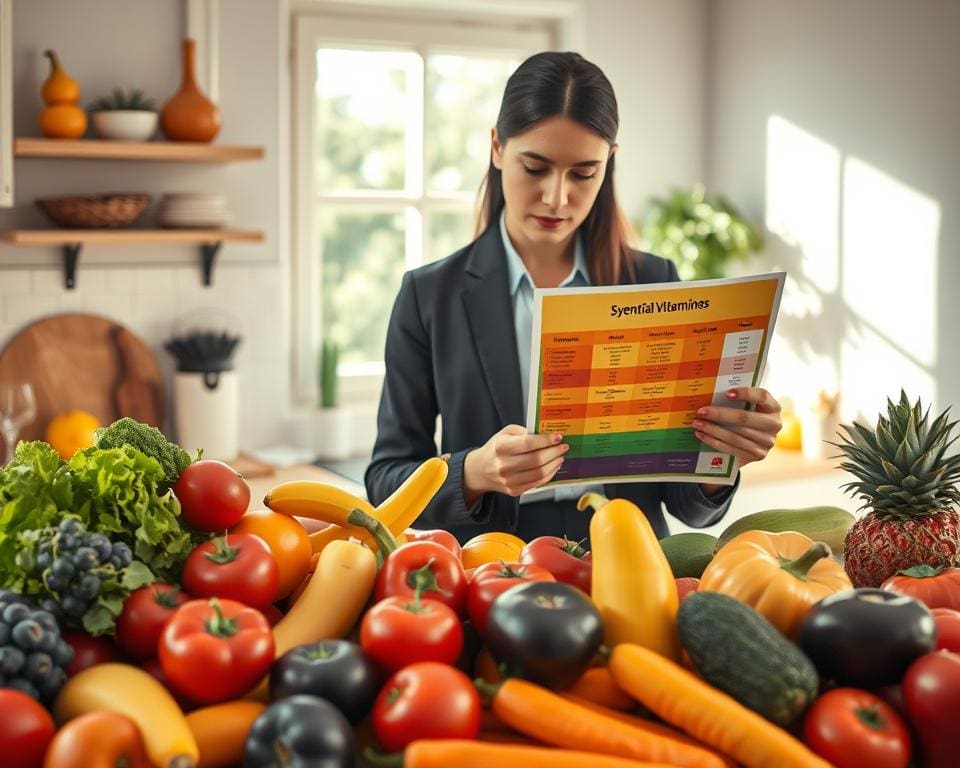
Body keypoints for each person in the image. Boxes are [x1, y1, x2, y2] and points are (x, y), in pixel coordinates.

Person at [365, 51, 782, 544]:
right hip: (492, 566)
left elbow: (689, 508)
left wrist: (722, 455)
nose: (557, 198)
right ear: (497, 148)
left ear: (609, 164)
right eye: (535, 167)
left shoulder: (654, 280)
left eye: (584, 173)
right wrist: (473, 472)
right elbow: (385, 483)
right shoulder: (429, 295)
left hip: (633, 555)